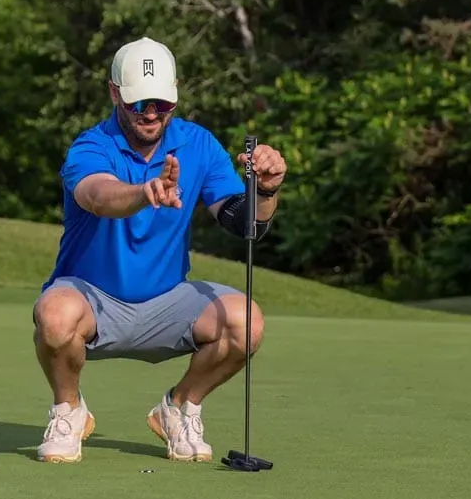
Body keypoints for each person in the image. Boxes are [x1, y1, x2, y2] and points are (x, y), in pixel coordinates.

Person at [32, 36, 287, 463]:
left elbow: (240, 221)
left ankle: (179, 408)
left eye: (162, 103)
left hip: (168, 301)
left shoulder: (199, 143)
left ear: (175, 95)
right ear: (114, 93)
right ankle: (69, 412)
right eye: (138, 103)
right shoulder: (91, 146)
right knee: (54, 316)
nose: (150, 113)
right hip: (92, 300)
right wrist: (143, 193)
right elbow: (97, 196)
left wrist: (266, 191)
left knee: (247, 321)